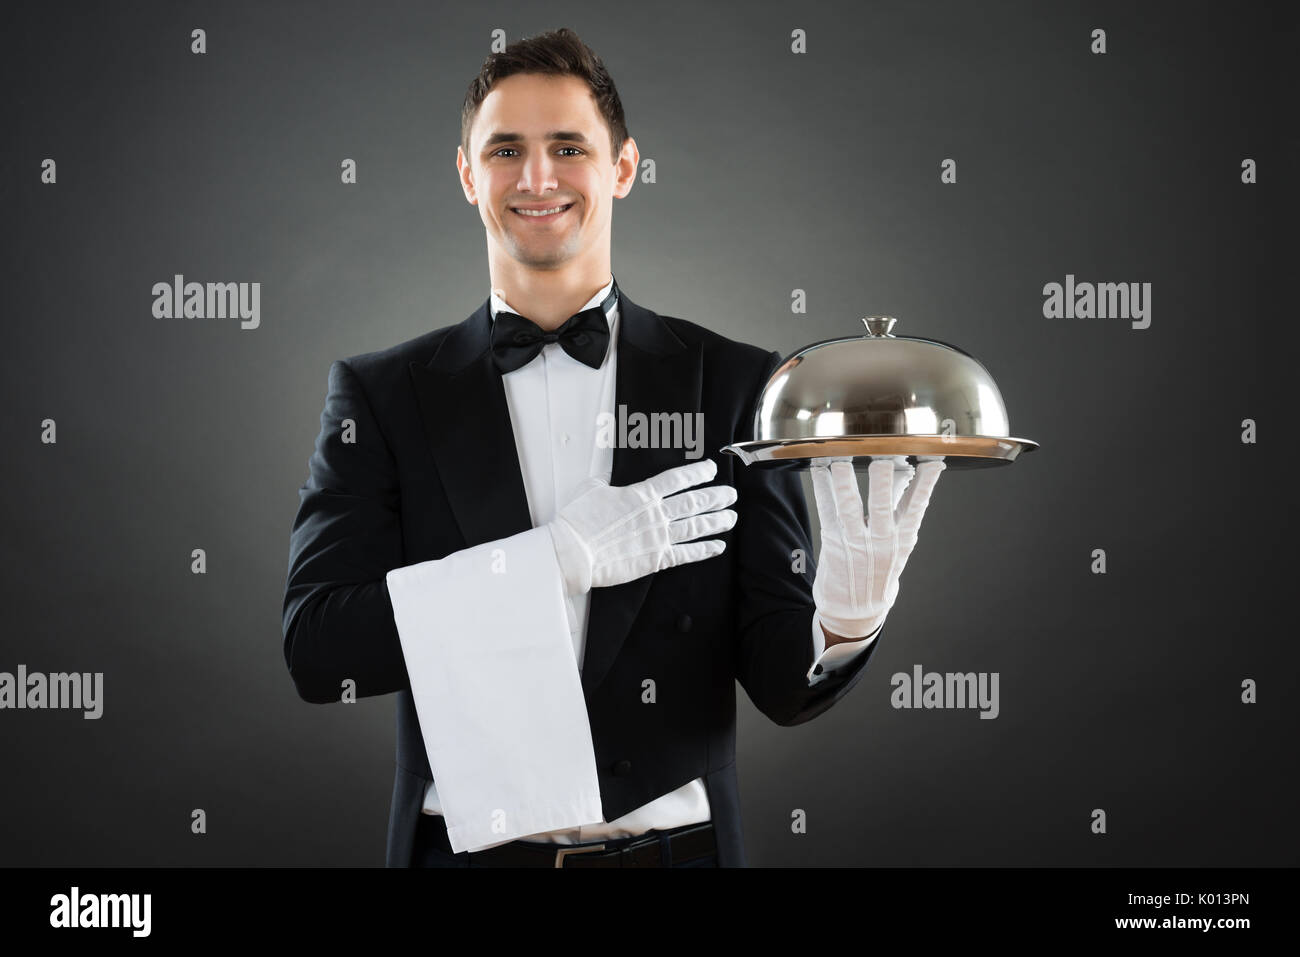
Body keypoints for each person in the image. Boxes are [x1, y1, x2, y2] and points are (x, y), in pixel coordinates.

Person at [281, 27, 945, 868]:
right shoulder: (380, 395)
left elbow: (782, 685)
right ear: (465, 175)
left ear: (624, 167)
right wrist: (552, 560)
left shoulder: (737, 385)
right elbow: (317, 648)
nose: (537, 178)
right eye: (505, 150)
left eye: (568, 147)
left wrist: (847, 619)